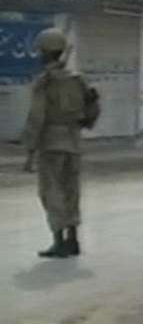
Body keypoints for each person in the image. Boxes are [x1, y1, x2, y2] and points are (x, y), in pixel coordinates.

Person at [22, 28, 97, 259]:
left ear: (44, 52)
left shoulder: (45, 82)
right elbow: (93, 106)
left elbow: (37, 117)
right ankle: (73, 239)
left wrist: (30, 151)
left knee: (51, 192)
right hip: (74, 141)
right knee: (70, 191)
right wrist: (84, 123)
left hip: (52, 142)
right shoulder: (78, 79)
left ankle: (58, 241)